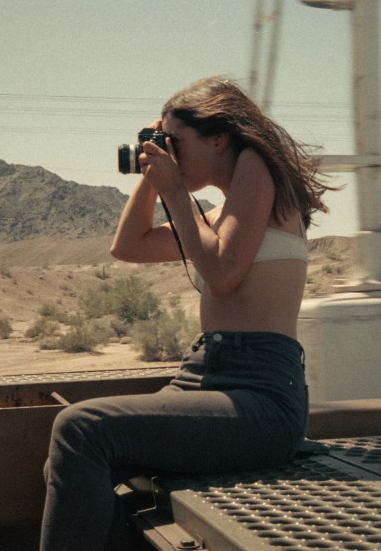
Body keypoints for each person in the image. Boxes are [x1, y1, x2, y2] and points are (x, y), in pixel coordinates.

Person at [39, 76, 336, 550]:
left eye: (176, 143)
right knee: (72, 460)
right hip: (205, 377)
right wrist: (152, 178)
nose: (169, 154)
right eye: (164, 144)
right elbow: (129, 246)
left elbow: (222, 274)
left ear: (219, 138)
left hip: (260, 396)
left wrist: (173, 187)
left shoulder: (256, 167)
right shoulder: (219, 217)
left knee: (81, 430)